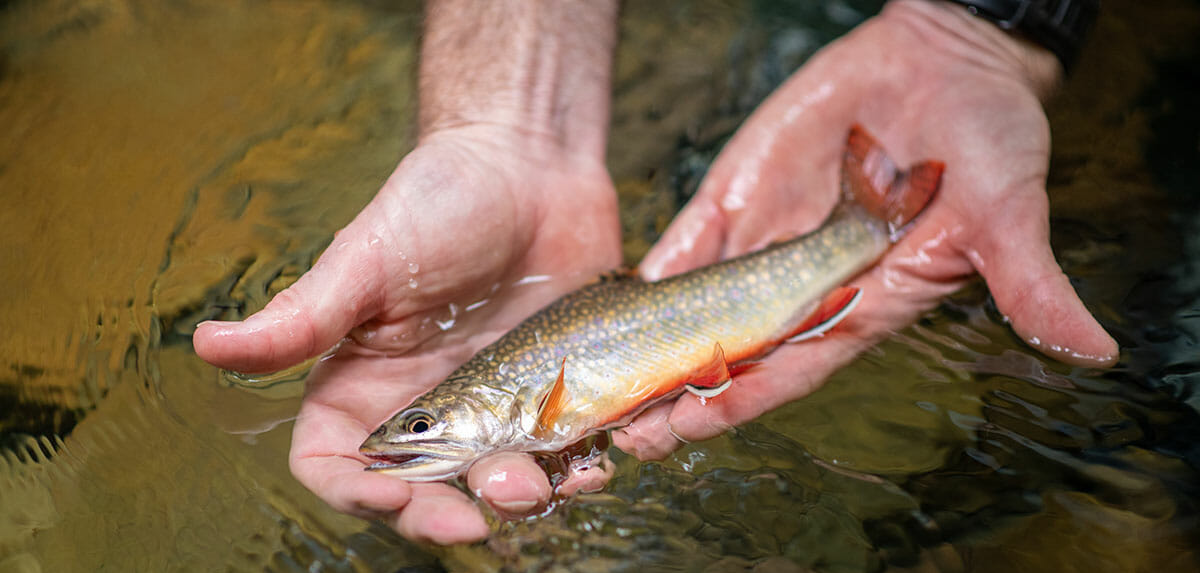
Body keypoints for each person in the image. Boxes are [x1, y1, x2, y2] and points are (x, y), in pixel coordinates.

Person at [193, 0, 1117, 544]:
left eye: (426, 423)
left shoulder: (539, 409)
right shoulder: (512, 405)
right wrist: (515, 130)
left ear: (479, 404)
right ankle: (858, 225)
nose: (411, 437)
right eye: (419, 426)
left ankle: (859, 226)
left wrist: (984, 32)